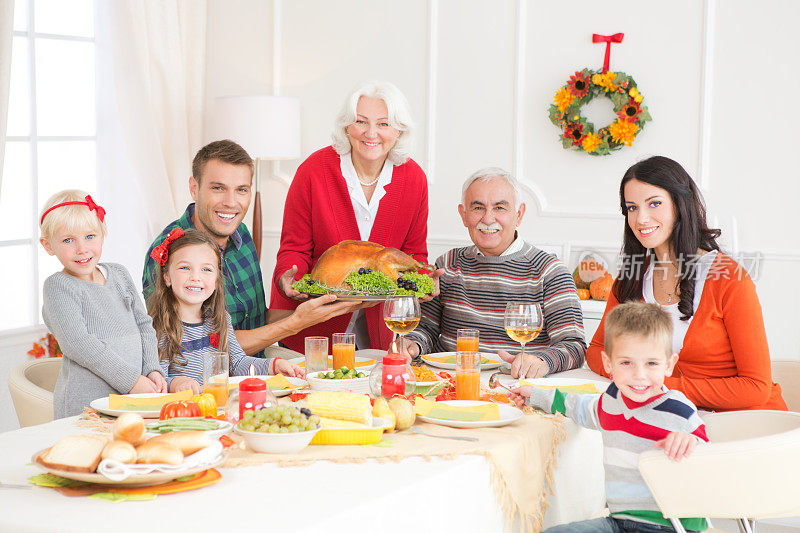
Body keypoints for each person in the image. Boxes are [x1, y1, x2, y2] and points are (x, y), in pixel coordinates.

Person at [586, 156, 786, 411]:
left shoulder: (729, 279)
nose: (641, 219)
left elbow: (756, 388)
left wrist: (657, 385)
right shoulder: (631, 280)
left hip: (746, 426)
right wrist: (636, 380)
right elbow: (596, 352)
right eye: (632, 208)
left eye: (654, 203)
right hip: (680, 423)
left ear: (680, 205)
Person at [143, 140, 360, 358]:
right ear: (194, 188)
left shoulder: (242, 234)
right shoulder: (169, 251)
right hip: (206, 379)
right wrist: (295, 323)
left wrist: (328, 307)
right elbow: (197, 348)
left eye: (241, 190)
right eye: (218, 188)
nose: (231, 202)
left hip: (257, 366)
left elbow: (256, 319)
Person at [513, 302, 709, 533]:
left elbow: (711, 459)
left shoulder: (679, 410)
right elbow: (578, 406)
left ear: (668, 365)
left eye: (651, 364)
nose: (639, 375)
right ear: (609, 364)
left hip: (673, 526)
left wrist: (691, 443)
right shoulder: (611, 402)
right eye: (626, 363)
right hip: (619, 522)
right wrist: (536, 395)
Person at [271, 80, 434, 352]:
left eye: (383, 124)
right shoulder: (313, 171)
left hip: (379, 331)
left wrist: (423, 280)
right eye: (361, 121)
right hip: (314, 328)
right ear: (347, 126)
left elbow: (414, 253)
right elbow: (293, 248)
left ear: (399, 131)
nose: (371, 133)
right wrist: (287, 277)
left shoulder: (414, 178)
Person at [401, 168, 586, 377]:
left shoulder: (550, 271)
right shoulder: (448, 264)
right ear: (463, 215)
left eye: (499, 207)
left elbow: (574, 346)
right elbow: (425, 330)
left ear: (519, 214)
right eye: (478, 207)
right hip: (448, 383)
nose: (488, 219)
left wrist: (543, 361)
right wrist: (413, 344)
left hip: (515, 386)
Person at [40, 190, 167, 418]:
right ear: (48, 245)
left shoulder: (119, 274)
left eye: (90, 236)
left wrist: (151, 368)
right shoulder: (58, 287)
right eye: (68, 240)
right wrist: (130, 381)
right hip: (87, 406)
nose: (82, 248)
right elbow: (80, 344)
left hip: (134, 398)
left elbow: (144, 325)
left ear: (102, 234)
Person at [147, 229, 303, 393]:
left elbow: (237, 363)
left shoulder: (218, 319)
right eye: (185, 267)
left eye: (206, 269)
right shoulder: (160, 325)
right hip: (183, 410)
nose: (196, 277)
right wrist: (175, 383)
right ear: (167, 277)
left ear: (216, 279)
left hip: (219, 406)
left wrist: (274, 365)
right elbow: (156, 378)